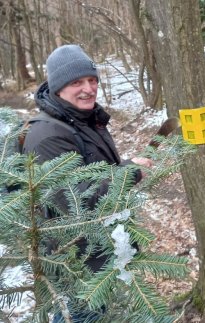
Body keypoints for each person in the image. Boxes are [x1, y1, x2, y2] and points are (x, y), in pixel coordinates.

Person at [23, 44, 152, 322]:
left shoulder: (85, 120)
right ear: (58, 88)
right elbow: (71, 202)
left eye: (92, 80)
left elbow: (96, 172)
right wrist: (128, 174)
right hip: (77, 268)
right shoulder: (47, 135)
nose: (89, 88)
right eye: (77, 82)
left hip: (102, 256)